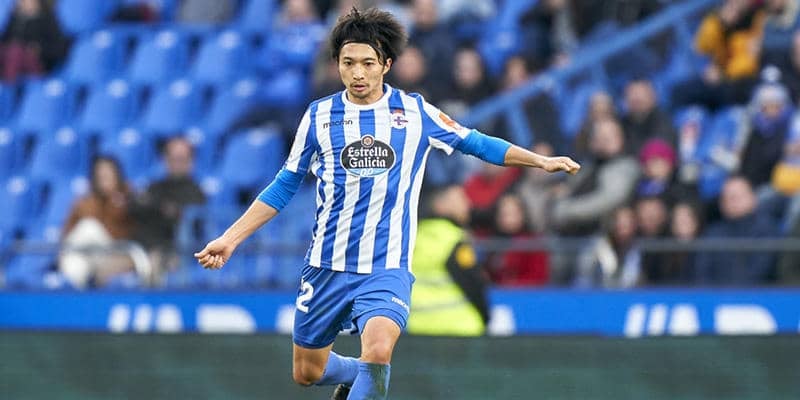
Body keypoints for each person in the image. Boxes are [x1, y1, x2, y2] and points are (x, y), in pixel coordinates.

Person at [193, 8, 580, 400]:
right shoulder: (319, 116)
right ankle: (353, 374)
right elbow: (284, 185)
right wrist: (230, 238)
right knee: (308, 372)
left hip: (385, 267)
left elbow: (476, 142)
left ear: (386, 65)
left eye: (367, 63)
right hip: (326, 265)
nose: (357, 73)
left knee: (378, 350)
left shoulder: (414, 113)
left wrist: (539, 160)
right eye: (348, 63)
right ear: (337, 64)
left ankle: (365, 375)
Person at [407, 184, 489, 336]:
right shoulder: (455, 239)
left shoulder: (414, 235)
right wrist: (486, 316)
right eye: (460, 199)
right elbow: (473, 282)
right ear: (440, 205)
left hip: (419, 327)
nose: (468, 204)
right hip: (459, 327)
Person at [132, 137, 206, 280]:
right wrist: (161, 208)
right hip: (142, 248)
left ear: (191, 161)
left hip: (177, 252)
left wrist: (155, 207)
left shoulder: (195, 193)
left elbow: (183, 220)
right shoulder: (155, 186)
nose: (176, 163)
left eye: (181, 159)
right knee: (107, 266)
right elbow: (136, 207)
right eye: (172, 158)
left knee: (153, 263)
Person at [59, 156, 136, 288]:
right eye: (100, 174)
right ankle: (75, 292)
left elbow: (131, 233)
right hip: (90, 255)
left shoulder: (130, 198)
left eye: (108, 173)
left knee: (89, 227)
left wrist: (117, 202)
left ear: (117, 175)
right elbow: (67, 234)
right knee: (75, 259)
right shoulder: (85, 203)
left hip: (119, 254)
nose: (103, 177)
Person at [693, 176, 778, 285]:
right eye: (726, 198)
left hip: (756, 294)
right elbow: (702, 273)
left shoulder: (768, 230)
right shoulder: (713, 233)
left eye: (736, 197)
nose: (731, 202)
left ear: (753, 198)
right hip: (715, 294)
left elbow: (762, 271)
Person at [486, 193, 550, 286]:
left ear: (522, 214)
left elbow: (538, 278)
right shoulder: (492, 242)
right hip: (497, 292)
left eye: (513, 213)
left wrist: (512, 286)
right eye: (504, 214)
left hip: (524, 292)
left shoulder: (533, 243)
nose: (508, 218)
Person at [0, 0, 68, 81]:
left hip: (38, 62)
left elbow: (59, 48)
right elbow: (5, 39)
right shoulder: (15, 18)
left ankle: (8, 84)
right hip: (13, 56)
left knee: (15, 51)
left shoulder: (47, 19)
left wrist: (39, 48)